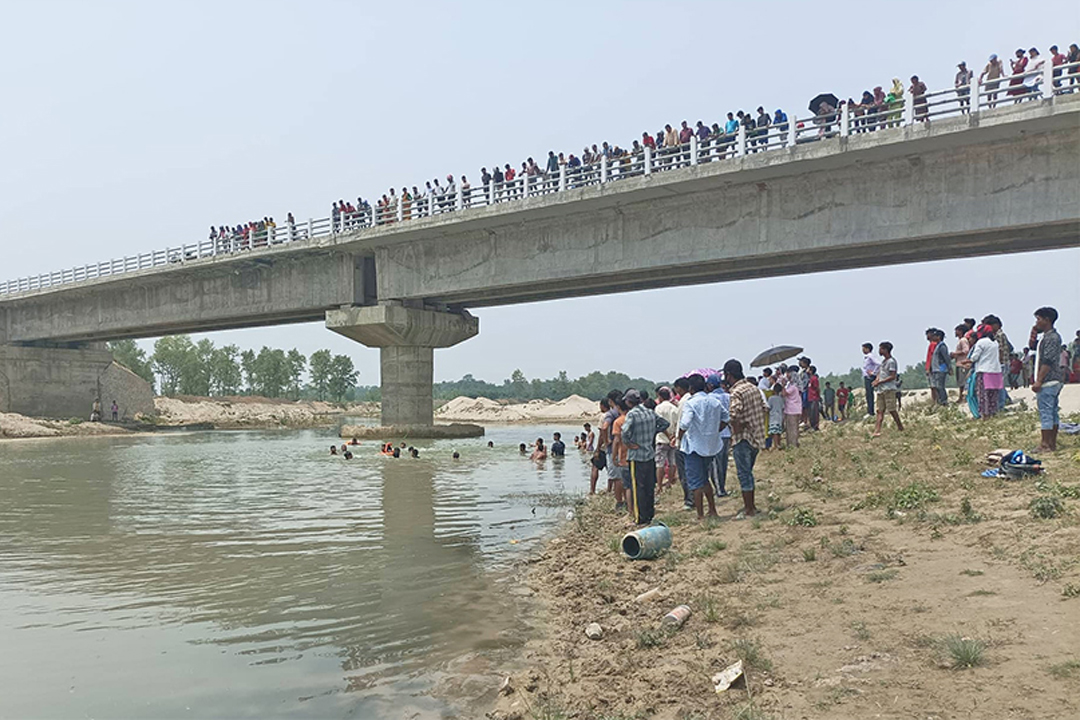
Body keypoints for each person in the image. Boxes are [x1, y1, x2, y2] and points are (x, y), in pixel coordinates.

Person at [619, 389, 669, 525]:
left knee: (637, 488)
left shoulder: (632, 415)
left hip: (636, 455)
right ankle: (649, 514)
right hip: (649, 453)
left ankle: (639, 518)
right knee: (648, 486)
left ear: (629, 402)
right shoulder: (650, 412)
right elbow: (665, 424)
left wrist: (628, 443)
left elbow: (624, 432)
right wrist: (653, 431)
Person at [726, 359, 767, 520]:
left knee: (744, 474)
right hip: (756, 437)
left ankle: (749, 509)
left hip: (742, 438)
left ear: (729, 375)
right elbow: (765, 408)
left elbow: (733, 414)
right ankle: (752, 505)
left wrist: (738, 425)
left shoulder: (736, 392)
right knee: (748, 472)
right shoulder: (754, 388)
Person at [677, 374, 721, 522]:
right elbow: (726, 419)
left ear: (691, 388)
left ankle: (700, 515)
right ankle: (712, 510)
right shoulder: (714, 401)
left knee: (695, 482)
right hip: (710, 446)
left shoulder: (691, 403)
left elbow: (684, 423)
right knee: (704, 479)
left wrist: (679, 436)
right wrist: (714, 432)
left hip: (694, 446)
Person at [1030, 307, 1063, 452]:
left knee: (1046, 412)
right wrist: (1033, 334)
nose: (1037, 322)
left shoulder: (1051, 338)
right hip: (1054, 380)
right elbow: (1032, 347)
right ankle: (1051, 443)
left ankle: (1045, 444)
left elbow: (1047, 361)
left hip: (1048, 380)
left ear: (1047, 320)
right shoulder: (1049, 337)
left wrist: (1039, 380)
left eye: (1039, 319)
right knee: (1052, 412)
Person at [965, 325, 1002, 419]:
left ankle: (985, 414)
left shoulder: (981, 342)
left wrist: (967, 361)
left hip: (984, 370)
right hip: (996, 371)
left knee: (983, 394)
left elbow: (975, 357)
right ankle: (993, 412)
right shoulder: (995, 342)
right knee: (993, 394)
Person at [706, 374, 731, 498]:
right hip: (727, 433)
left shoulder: (710, 398)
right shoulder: (728, 396)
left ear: (710, 385)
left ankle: (719, 489)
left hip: (716, 434)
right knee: (724, 462)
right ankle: (722, 486)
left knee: (715, 464)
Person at [872, 342, 904, 437]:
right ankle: (877, 430)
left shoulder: (891, 362)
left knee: (892, 410)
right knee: (879, 410)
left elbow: (892, 376)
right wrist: (876, 380)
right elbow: (880, 373)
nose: (879, 351)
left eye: (881, 349)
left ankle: (900, 427)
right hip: (881, 389)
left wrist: (880, 382)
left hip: (889, 389)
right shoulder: (883, 362)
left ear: (885, 350)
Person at [654, 387, 680, 492]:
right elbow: (677, 423)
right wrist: (673, 436)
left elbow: (660, 423)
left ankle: (659, 486)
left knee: (660, 464)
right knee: (672, 462)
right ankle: (669, 482)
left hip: (662, 438)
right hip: (673, 439)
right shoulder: (674, 408)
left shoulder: (658, 408)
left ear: (660, 397)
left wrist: (667, 435)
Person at [611, 399, 630, 512]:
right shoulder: (633, 418)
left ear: (618, 407)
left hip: (623, 456)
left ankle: (625, 505)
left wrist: (614, 457)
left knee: (624, 483)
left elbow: (616, 440)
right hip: (636, 456)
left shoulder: (618, 422)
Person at [779, 367, 802, 448]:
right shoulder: (795, 386)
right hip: (795, 409)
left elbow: (784, 394)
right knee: (794, 427)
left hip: (791, 409)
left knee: (791, 428)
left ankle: (792, 444)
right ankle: (793, 443)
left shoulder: (792, 387)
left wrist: (783, 385)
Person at [952, 324, 972, 404]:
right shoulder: (961, 340)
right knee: (960, 382)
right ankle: (961, 397)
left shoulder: (963, 340)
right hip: (960, 363)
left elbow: (966, 350)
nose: (955, 332)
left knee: (963, 382)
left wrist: (955, 354)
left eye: (956, 331)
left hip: (963, 364)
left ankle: (963, 397)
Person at [861, 343, 880, 416]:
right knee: (868, 394)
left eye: (863, 348)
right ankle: (869, 410)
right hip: (867, 377)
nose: (862, 350)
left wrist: (874, 372)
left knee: (870, 394)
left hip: (870, 377)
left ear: (867, 349)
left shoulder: (870, 356)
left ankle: (871, 412)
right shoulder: (866, 357)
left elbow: (878, 364)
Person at [767, 380, 784, 450]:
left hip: (773, 416)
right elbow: (783, 408)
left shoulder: (771, 398)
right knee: (779, 431)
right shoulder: (781, 399)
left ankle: (776, 445)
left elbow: (768, 407)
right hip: (779, 416)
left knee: (774, 432)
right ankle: (779, 444)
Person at [806, 366, 822, 430]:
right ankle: (812, 425)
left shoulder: (814, 379)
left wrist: (818, 396)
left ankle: (815, 426)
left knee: (814, 412)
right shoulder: (810, 379)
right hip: (810, 398)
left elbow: (817, 388)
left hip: (814, 398)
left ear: (811, 371)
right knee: (810, 413)